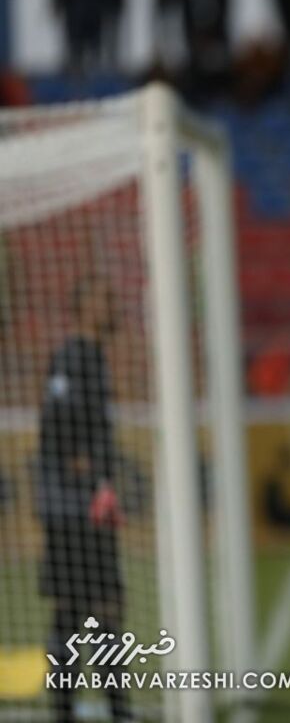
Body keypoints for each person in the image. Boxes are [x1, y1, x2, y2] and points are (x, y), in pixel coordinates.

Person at [35, 274, 129, 723]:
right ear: (85, 305)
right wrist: (96, 481)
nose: (116, 307)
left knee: (71, 615)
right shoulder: (73, 357)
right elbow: (58, 426)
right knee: (102, 608)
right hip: (75, 509)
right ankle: (117, 711)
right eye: (107, 297)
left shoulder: (90, 357)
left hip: (73, 507)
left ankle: (69, 713)